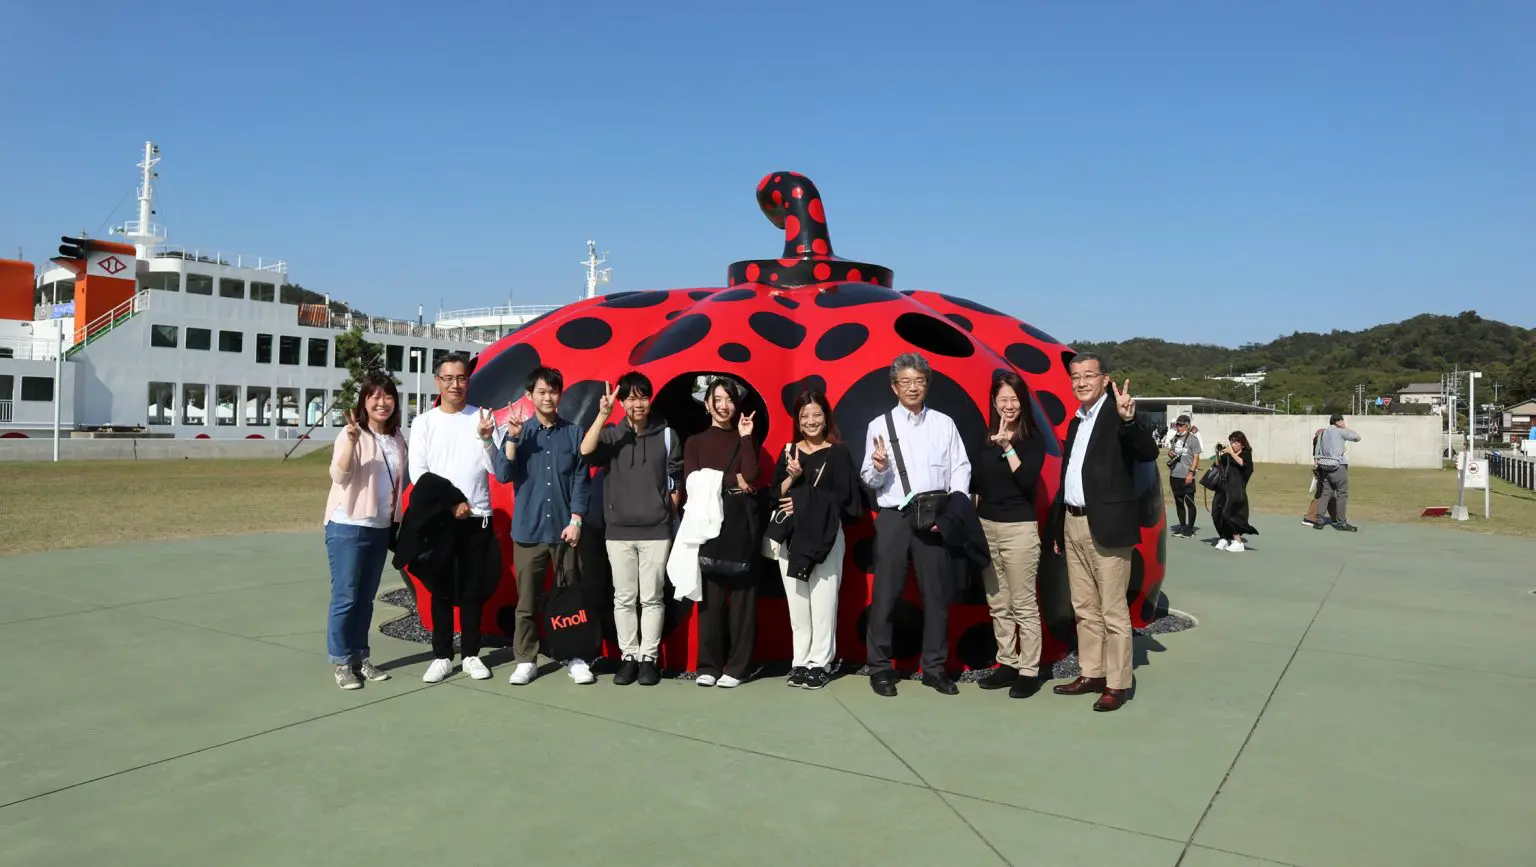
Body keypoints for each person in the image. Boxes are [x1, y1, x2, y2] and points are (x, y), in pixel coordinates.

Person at [1048, 352, 1158, 713]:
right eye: (1075, 377)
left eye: (1089, 376)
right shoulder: (1076, 422)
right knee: (1084, 607)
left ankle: (1117, 683)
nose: (1081, 383)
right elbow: (1067, 477)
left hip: (1108, 526)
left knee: (1112, 611)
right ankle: (1092, 673)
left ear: (1104, 379)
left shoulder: (1116, 414)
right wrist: (1057, 524)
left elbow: (1146, 452)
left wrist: (1130, 421)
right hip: (1074, 522)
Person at [859, 352, 973, 697]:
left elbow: (961, 469)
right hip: (894, 517)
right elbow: (868, 478)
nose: (913, 387)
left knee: (936, 595)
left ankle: (934, 668)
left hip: (935, 517)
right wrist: (878, 466)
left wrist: (951, 514)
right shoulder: (879, 425)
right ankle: (880, 668)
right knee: (886, 594)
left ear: (928, 384)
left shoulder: (944, 424)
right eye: (905, 381)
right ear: (894, 387)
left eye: (919, 380)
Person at [491, 366, 593, 686]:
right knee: (527, 601)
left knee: (571, 598)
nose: (548, 397)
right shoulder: (520, 432)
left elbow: (580, 481)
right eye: (542, 392)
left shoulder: (573, 433)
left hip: (565, 532)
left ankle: (576, 656)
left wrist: (576, 520)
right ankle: (526, 659)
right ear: (529, 396)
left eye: (553, 391)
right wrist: (512, 439)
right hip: (529, 532)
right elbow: (504, 474)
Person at [580, 372, 683, 686]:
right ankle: (629, 656)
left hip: (656, 530)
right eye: (631, 398)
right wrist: (602, 415)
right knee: (624, 598)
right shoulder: (613, 434)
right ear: (622, 402)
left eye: (643, 396)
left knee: (652, 598)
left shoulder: (667, 435)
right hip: (619, 531)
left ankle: (648, 658)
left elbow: (675, 476)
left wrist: (668, 507)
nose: (638, 403)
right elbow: (586, 450)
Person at [407, 352, 502, 684]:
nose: (455, 385)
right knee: (442, 590)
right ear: (438, 381)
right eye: (448, 379)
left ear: (468, 381)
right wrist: (451, 503)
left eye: (461, 378)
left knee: (474, 590)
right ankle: (442, 655)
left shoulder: (483, 417)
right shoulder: (424, 422)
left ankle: (472, 655)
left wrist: (488, 438)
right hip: (441, 518)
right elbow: (419, 472)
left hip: (478, 517)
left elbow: (497, 469)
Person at [770, 389, 863, 690]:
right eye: (804, 416)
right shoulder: (789, 451)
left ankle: (820, 662)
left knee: (823, 602)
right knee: (798, 604)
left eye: (816, 414)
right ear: (797, 420)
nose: (810, 421)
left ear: (826, 418)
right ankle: (800, 661)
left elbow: (848, 501)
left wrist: (803, 500)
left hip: (825, 537)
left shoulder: (839, 453)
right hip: (793, 538)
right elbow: (774, 496)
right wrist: (792, 477)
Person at [321, 372, 406, 690]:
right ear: (364, 401)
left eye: (387, 396)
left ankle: (360, 656)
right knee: (346, 597)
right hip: (348, 525)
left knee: (366, 599)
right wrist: (352, 443)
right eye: (375, 396)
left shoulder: (397, 438)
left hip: (381, 527)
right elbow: (338, 476)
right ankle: (342, 662)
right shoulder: (351, 433)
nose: (382, 402)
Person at [971, 372, 1048, 698]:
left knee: (1023, 603)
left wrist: (1007, 446)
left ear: (1023, 402)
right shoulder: (985, 437)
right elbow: (976, 484)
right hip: (988, 526)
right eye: (1002, 399)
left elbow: (1026, 480)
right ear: (993, 401)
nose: (1008, 405)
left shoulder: (1033, 440)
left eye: (1014, 399)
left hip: (1018, 529)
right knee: (998, 603)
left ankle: (1029, 670)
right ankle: (1007, 663)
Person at [683, 377, 761, 688]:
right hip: (708, 527)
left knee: (743, 603)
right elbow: (692, 482)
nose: (723, 404)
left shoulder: (746, 439)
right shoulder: (695, 442)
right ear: (707, 404)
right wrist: (733, 480)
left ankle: (738, 667)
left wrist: (745, 438)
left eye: (729, 399)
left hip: (740, 525)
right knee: (710, 603)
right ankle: (708, 666)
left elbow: (753, 474)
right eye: (717, 398)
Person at [1211, 431, 1259, 552]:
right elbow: (1218, 465)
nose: (1233, 444)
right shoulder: (1227, 455)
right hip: (1222, 489)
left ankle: (1238, 541)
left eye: (1236, 442)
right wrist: (1217, 453)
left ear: (1242, 444)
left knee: (1230, 514)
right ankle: (1223, 538)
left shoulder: (1246, 454)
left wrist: (1231, 453)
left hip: (1236, 491)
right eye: (1232, 442)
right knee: (1216, 513)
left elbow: (1244, 465)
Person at [1313, 414, 1360, 532]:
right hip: (1338, 466)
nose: (1344, 422)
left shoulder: (1323, 433)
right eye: (1342, 421)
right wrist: (1344, 428)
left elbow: (1318, 450)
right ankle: (1341, 522)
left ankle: (1319, 521)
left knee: (1325, 493)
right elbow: (1357, 437)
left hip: (1324, 466)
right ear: (1338, 422)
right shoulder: (1340, 431)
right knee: (1342, 494)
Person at [1165, 414, 1202, 538]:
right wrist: (1170, 453)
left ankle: (1190, 529)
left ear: (1187, 425)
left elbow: (1196, 457)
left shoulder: (1193, 439)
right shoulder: (1175, 438)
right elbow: (1172, 451)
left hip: (1187, 475)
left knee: (1189, 502)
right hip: (1175, 474)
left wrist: (1191, 473)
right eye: (1177, 424)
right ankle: (1182, 526)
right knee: (1179, 502)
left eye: (1180, 425)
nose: (1178, 427)